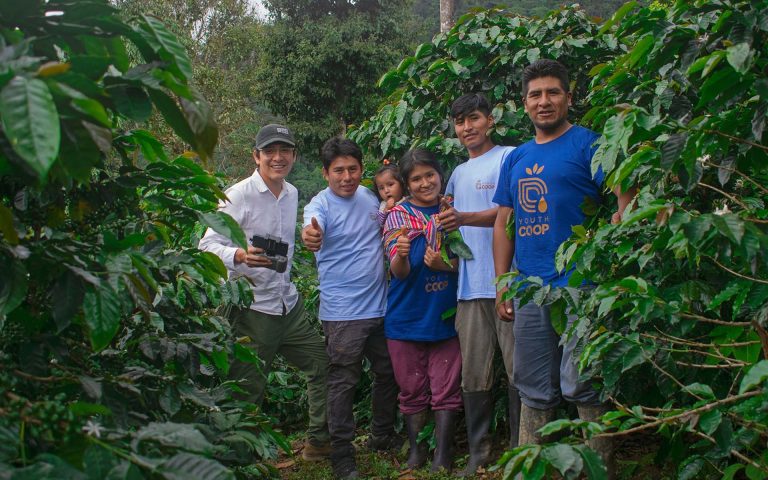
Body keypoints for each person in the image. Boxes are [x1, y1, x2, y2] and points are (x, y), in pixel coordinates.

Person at [492, 59, 634, 478]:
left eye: (553, 92)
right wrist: (503, 283)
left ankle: (599, 469)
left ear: (569, 98)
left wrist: (619, 225)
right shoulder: (516, 157)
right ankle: (530, 469)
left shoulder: (590, 144)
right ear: (524, 104)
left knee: (583, 383)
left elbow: (625, 192)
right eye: (535, 94)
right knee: (533, 387)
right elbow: (504, 221)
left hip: (583, 287)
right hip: (530, 290)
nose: (544, 101)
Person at [198, 124, 331, 461]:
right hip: (252, 308)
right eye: (269, 151)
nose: (277, 157)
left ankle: (317, 443)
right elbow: (206, 245)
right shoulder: (237, 194)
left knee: (319, 361)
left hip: (288, 303)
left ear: (294, 156)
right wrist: (238, 255)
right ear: (256, 156)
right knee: (248, 390)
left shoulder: (293, 194)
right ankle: (241, 461)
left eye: (284, 150)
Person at [301, 137, 399, 480]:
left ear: (361, 170)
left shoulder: (369, 197)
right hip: (343, 314)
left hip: (381, 306)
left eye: (353, 169)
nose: (347, 177)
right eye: (338, 170)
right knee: (343, 381)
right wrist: (310, 237)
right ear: (326, 173)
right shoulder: (319, 206)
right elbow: (312, 231)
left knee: (388, 372)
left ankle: (381, 434)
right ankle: (342, 454)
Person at [438, 93, 520, 474]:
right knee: (474, 374)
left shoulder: (509, 157)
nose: (467, 127)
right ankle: (479, 452)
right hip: (470, 290)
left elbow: (512, 212)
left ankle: (523, 448)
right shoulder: (456, 173)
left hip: (509, 284)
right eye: (460, 122)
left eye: (473, 118)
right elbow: (450, 227)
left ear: (490, 119)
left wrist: (465, 218)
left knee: (520, 371)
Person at [382, 149, 462, 473]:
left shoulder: (452, 213)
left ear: (440, 176)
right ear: (406, 183)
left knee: (447, 388)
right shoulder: (396, 217)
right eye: (416, 178)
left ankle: (443, 456)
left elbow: (465, 260)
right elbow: (398, 272)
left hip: (445, 315)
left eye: (430, 175)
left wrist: (444, 265)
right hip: (405, 316)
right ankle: (417, 452)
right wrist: (401, 254)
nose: (424, 182)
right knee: (411, 388)